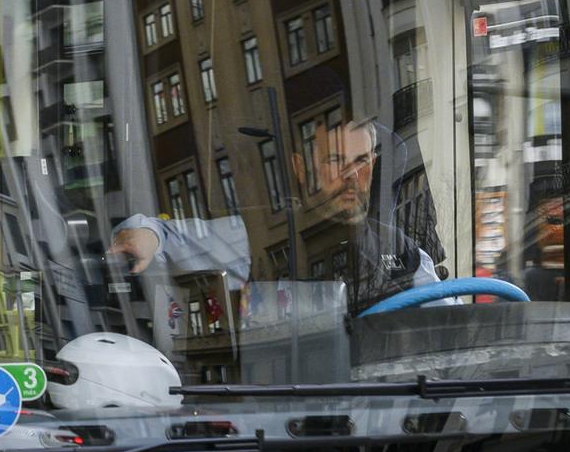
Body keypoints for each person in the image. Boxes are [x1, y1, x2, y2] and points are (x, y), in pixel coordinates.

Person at [107, 118, 440, 310]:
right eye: (335, 161)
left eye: (362, 161)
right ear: (302, 167)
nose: (351, 175)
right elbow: (170, 236)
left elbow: (447, 318)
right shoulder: (259, 237)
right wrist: (147, 235)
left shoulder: (401, 251)